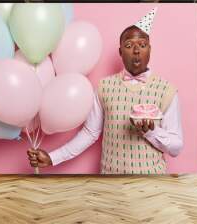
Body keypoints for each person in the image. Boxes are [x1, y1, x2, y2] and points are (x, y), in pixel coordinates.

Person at [27, 7, 183, 174]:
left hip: (152, 184)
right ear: (120, 52)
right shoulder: (104, 87)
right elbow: (90, 133)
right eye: (129, 45)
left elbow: (176, 148)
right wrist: (53, 157)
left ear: (149, 50)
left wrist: (152, 132)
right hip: (109, 181)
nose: (136, 50)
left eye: (143, 45)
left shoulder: (167, 91)